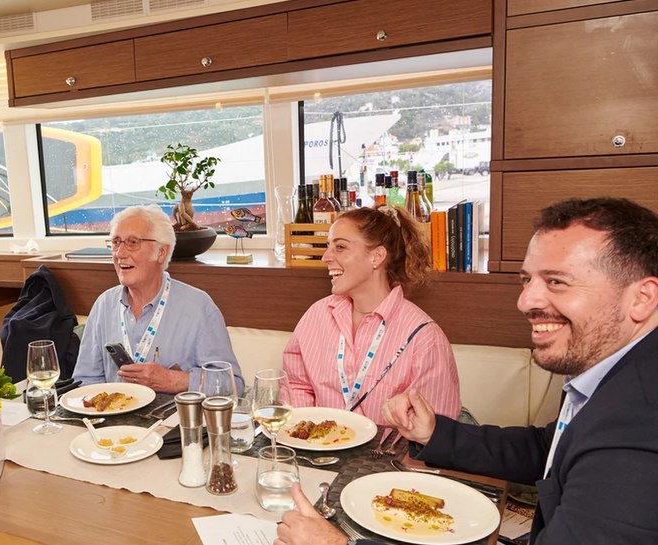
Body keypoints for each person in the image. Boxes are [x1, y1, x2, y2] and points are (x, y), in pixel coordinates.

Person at [275, 197, 658, 545]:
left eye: (556, 281)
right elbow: (545, 448)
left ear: (642, 298)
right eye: (527, 281)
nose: (526, 301)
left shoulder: (636, 427)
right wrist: (435, 431)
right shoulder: (609, 382)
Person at [282, 204, 460, 425]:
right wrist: (308, 433)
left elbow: (436, 431)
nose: (325, 257)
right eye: (328, 246)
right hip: (316, 454)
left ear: (377, 256)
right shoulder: (316, 316)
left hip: (386, 459)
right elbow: (297, 384)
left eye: (340, 247)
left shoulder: (426, 340)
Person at [72, 205, 244, 394]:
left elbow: (233, 384)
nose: (120, 253)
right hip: (114, 421)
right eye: (116, 242)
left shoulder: (198, 308)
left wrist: (176, 380)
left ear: (161, 252)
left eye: (132, 242)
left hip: (176, 421)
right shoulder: (104, 305)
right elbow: (85, 381)